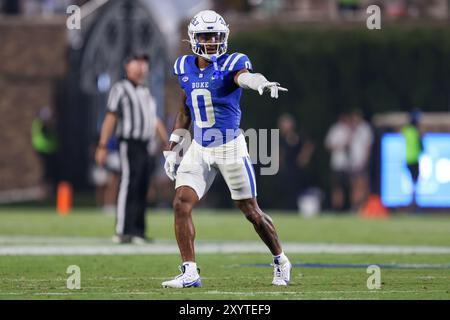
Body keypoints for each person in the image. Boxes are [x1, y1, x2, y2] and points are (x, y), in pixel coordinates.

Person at [161, 10, 292, 288]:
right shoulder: (184, 66)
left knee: (251, 212)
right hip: (199, 147)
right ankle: (190, 271)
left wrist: (260, 84)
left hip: (230, 147)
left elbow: (244, 77)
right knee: (181, 203)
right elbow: (185, 110)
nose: (212, 42)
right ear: (194, 39)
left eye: (216, 36)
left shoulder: (232, 62)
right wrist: (173, 147)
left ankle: (280, 259)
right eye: (206, 36)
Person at [95, 52, 168, 244]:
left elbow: (154, 120)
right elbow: (111, 116)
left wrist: (167, 142)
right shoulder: (120, 89)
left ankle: (138, 230)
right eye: (137, 63)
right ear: (128, 66)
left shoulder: (145, 91)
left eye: (144, 63)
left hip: (145, 145)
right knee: (129, 183)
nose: (142, 67)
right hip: (129, 143)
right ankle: (123, 230)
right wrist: (102, 145)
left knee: (143, 185)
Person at [278, 113, 315, 210]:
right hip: (287, 170)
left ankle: (296, 209)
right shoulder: (282, 139)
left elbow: (309, 145)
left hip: (295, 170)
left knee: (295, 191)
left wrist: (304, 157)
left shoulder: (296, 137)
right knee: (286, 192)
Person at [324, 113, 352, 211]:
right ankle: (337, 208)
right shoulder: (335, 129)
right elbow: (328, 145)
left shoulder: (351, 129)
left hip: (349, 164)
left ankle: (347, 207)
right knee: (337, 187)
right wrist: (340, 146)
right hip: (337, 163)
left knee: (348, 187)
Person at [348, 109, 373, 211]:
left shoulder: (365, 129)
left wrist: (365, 160)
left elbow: (368, 145)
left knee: (363, 185)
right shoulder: (351, 130)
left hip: (362, 162)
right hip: (353, 162)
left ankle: (363, 207)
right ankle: (355, 207)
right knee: (354, 186)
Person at [31, 106, 59, 196]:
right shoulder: (41, 124)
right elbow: (44, 132)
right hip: (43, 150)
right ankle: (43, 192)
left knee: (51, 172)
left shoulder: (46, 124)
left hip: (51, 150)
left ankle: (49, 191)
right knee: (45, 172)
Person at [401, 108, 423, 209]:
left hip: (407, 159)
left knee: (412, 182)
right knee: (415, 183)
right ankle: (413, 204)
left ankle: (412, 203)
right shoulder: (416, 132)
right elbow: (421, 147)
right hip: (414, 160)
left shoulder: (406, 130)